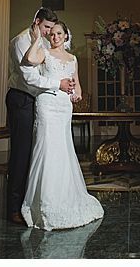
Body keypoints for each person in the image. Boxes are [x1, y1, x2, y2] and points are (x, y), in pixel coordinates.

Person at [20, 21, 104, 230]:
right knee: (46, 149)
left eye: (59, 33)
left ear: (66, 36)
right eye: (52, 34)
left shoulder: (73, 59)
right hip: (47, 104)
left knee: (63, 150)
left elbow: (77, 87)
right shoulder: (43, 52)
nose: (55, 36)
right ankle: (44, 203)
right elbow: (29, 59)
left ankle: (65, 197)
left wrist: (76, 94)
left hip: (64, 107)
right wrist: (36, 38)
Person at [6, 7, 76, 225]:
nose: (49, 33)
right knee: (21, 153)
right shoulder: (20, 41)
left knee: (39, 152)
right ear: (36, 22)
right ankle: (14, 208)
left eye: (52, 29)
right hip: (21, 98)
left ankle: (35, 200)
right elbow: (29, 77)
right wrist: (59, 84)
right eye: (46, 27)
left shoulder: (44, 40)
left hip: (41, 100)